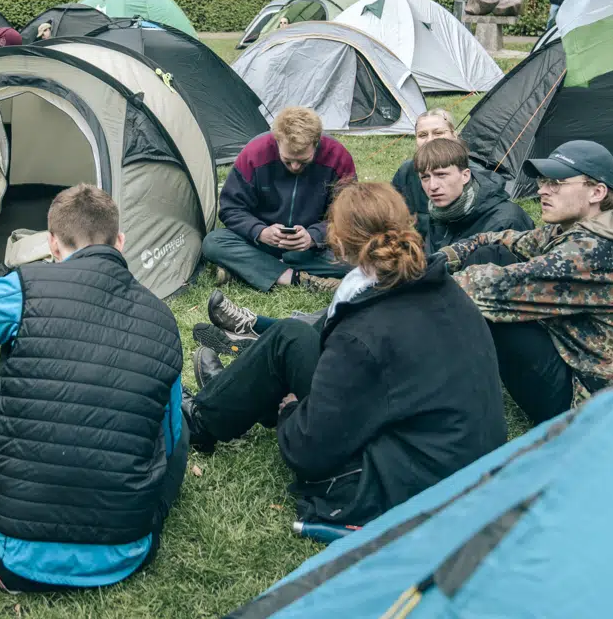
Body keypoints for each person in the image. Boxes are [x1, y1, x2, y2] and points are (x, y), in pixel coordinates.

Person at [0, 184, 185, 592]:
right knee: (177, 425)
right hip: (127, 551)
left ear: (52, 245)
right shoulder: (162, 318)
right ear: (120, 242)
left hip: (12, 559)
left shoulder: (23, 288)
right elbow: (165, 442)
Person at [183, 183, 506, 527]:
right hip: (470, 460)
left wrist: (291, 410)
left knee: (288, 344)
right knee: (291, 335)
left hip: (415, 482)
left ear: (337, 244)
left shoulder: (362, 333)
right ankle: (230, 400)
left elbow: (308, 452)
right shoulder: (441, 286)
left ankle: (207, 418)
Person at [437, 140, 613, 425]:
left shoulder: (593, 252)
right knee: (492, 254)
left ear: (597, 192)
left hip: (589, 402)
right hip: (571, 353)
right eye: (542, 181)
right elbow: (495, 239)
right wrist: (444, 257)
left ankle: (444, 383)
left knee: (489, 309)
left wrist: (412, 281)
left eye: (556, 183)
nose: (541, 190)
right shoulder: (578, 228)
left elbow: (486, 289)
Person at [202, 106, 355, 293]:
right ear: (277, 141)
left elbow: (348, 215)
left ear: (316, 143)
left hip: (313, 249)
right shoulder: (254, 153)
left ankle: (249, 268)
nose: (295, 166)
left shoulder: (338, 157)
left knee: (361, 262)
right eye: (288, 160)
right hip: (263, 244)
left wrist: (314, 237)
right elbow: (231, 208)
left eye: (303, 161)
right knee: (213, 242)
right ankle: (298, 279)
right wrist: (260, 231)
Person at [407, 137, 532, 251]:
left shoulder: (506, 221)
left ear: (465, 176)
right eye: (425, 177)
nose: (433, 186)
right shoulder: (438, 211)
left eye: (441, 175)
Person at [390, 109, 459, 231]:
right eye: (422, 135)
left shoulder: (468, 170)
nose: (430, 140)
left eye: (438, 133)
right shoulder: (406, 171)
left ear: (454, 135)